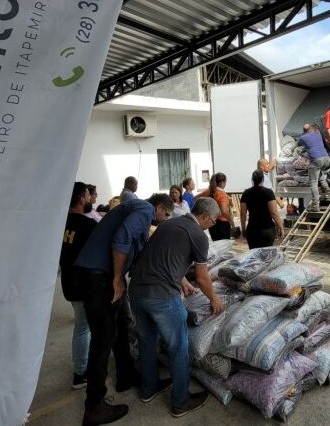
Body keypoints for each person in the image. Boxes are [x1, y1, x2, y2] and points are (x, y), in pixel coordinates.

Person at [73, 193, 174, 425]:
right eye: (166, 215)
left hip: (99, 276)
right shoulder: (144, 209)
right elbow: (121, 238)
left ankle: (125, 376)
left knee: (121, 325)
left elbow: (138, 257)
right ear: (159, 207)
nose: (164, 220)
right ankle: (94, 407)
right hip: (98, 278)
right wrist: (118, 279)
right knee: (103, 339)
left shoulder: (140, 217)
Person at [129, 197, 225, 417]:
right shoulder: (199, 235)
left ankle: (148, 389)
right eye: (213, 221)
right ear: (204, 217)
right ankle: (180, 402)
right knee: (178, 348)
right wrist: (214, 299)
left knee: (147, 341)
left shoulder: (168, 224)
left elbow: (162, 258)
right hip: (162, 296)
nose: (213, 224)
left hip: (136, 291)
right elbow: (202, 278)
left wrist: (181, 280)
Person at [60, 182, 97, 390]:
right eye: (88, 195)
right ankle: (81, 372)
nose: (91, 198)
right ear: (82, 198)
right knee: (85, 327)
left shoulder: (59, 223)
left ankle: (81, 367)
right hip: (86, 284)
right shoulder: (87, 225)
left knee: (82, 327)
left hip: (68, 282)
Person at [240, 170, 284, 248]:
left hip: (252, 229)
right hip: (267, 229)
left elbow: (243, 213)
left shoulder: (246, 193)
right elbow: (274, 212)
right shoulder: (268, 192)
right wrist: (280, 226)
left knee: (254, 256)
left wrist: (243, 228)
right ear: (263, 179)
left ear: (252, 180)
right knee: (266, 256)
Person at [297, 123, 330, 212]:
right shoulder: (318, 133)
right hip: (326, 159)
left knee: (313, 183)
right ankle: (325, 186)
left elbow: (297, 145)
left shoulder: (303, 137)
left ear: (303, 131)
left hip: (317, 160)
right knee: (318, 169)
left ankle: (316, 206)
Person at [195, 173, 234, 241]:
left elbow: (195, 198)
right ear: (222, 183)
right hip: (222, 224)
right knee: (223, 246)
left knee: (216, 245)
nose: (225, 184)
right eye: (225, 182)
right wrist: (231, 220)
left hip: (211, 223)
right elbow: (224, 211)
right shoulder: (222, 194)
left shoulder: (208, 191)